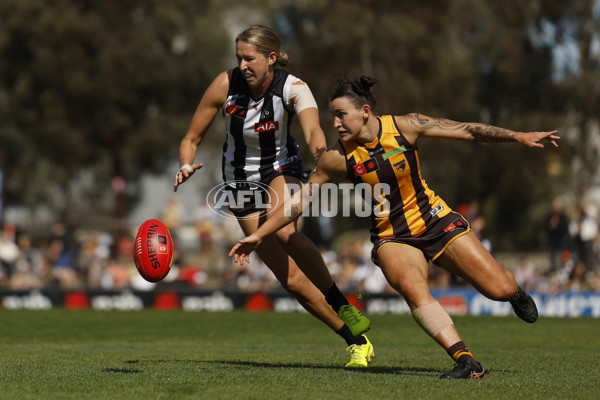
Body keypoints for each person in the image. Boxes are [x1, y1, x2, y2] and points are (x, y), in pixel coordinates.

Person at [230, 76, 560, 379]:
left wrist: (518, 136)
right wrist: (259, 234)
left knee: (497, 289)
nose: (336, 123)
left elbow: (467, 131)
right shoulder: (335, 158)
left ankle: (514, 292)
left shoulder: (405, 126)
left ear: (365, 111)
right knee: (413, 288)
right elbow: (298, 202)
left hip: (435, 219)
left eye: (341, 115)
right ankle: (466, 360)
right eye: (333, 116)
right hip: (391, 236)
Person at [174, 26, 373, 367]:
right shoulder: (225, 84)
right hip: (238, 182)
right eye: (238, 57)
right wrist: (186, 164)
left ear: (270, 58)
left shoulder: (293, 88)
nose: (242, 65)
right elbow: (191, 138)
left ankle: (341, 302)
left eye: (249, 58)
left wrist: (323, 156)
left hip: (282, 168)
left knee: (285, 232)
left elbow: (312, 131)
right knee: (292, 281)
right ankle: (356, 340)